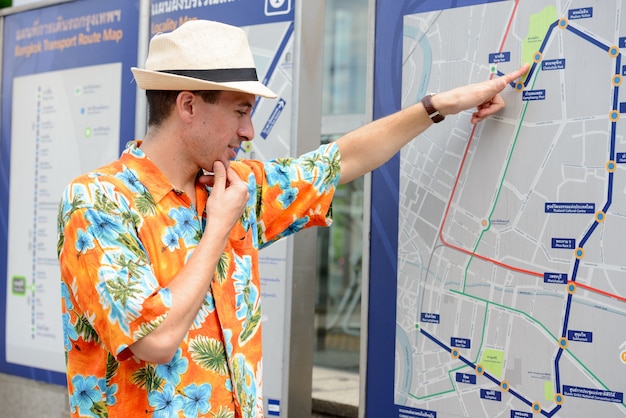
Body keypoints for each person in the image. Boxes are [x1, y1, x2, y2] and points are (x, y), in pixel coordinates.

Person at [57, 19, 528, 418]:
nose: (249, 129)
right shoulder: (98, 202)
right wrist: (219, 227)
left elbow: (339, 161)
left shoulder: (233, 186)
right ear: (187, 105)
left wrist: (440, 106)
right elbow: (155, 339)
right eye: (241, 111)